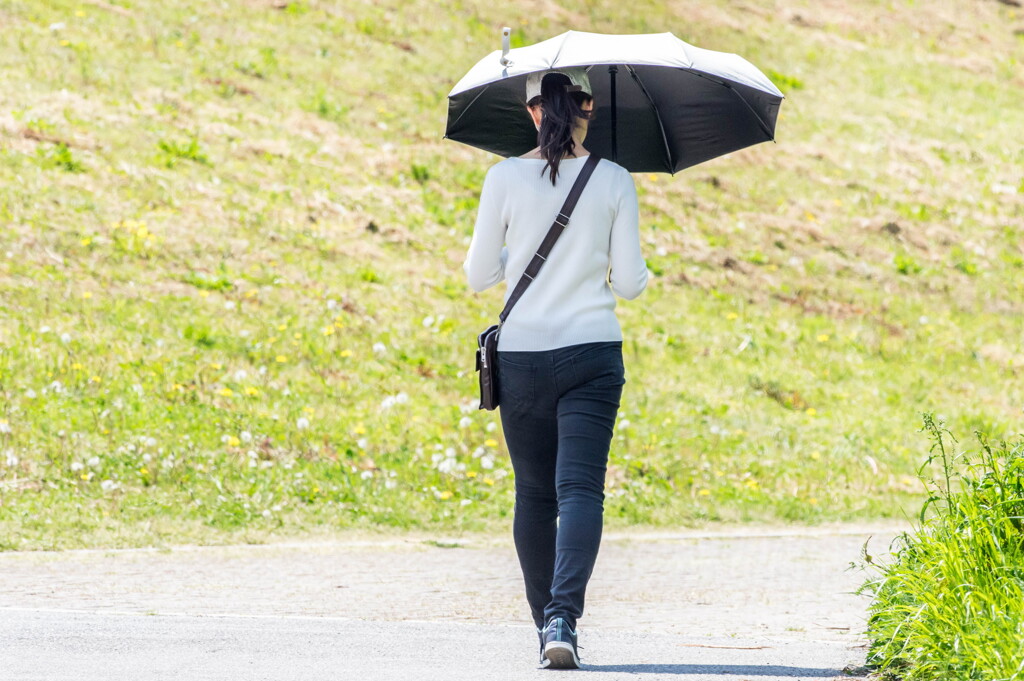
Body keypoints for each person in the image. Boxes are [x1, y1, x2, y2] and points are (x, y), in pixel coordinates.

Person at [463, 66, 649, 669]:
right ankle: (564, 617)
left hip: (521, 357)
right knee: (581, 490)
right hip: (592, 353)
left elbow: (478, 276)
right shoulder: (615, 180)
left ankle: (547, 623)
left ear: (534, 112)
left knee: (535, 493)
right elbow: (630, 286)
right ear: (587, 109)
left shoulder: (503, 177)